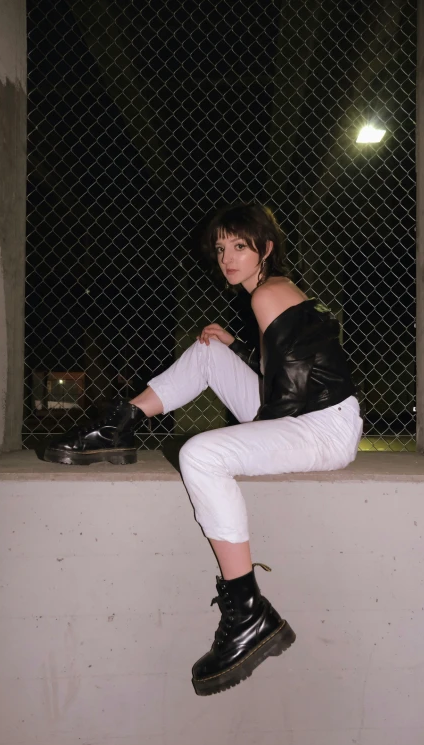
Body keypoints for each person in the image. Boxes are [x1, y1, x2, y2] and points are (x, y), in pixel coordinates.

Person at [42, 203, 363, 696]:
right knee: (209, 348)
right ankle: (119, 425)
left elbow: (289, 401)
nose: (227, 258)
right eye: (221, 248)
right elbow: (287, 374)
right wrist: (236, 349)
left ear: (266, 250)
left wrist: (245, 441)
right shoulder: (270, 294)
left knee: (201, 454)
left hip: (321, 428)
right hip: (312, 413)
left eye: (239, 246)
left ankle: (250, 612)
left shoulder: (269, 296)